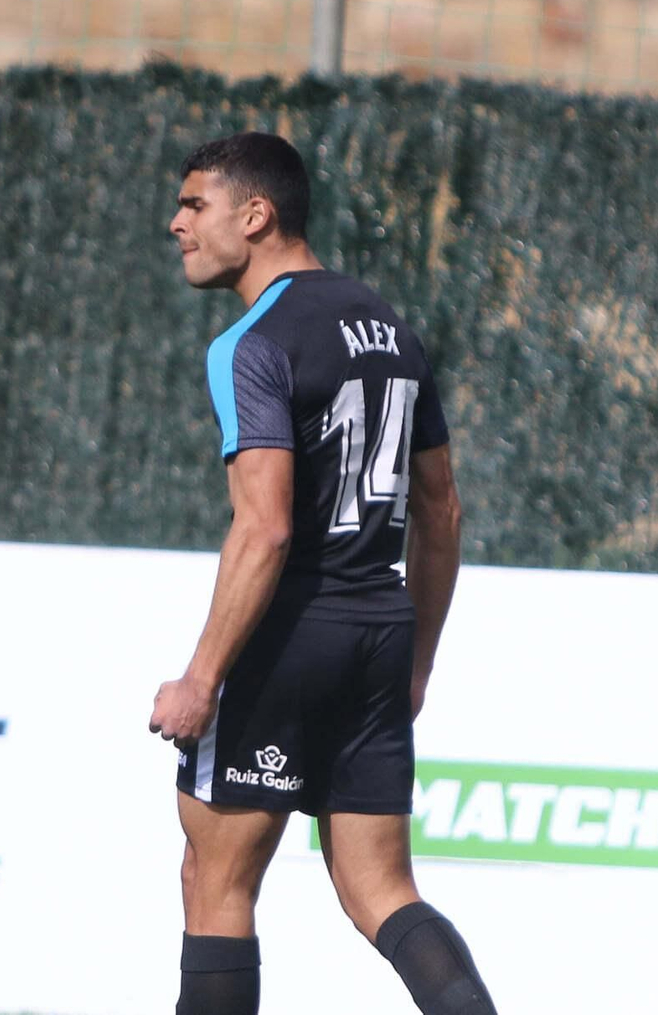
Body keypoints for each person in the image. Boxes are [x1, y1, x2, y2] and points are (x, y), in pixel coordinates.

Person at [149, 132, 496, 1015]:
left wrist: (201, 678)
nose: (177, 224)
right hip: (379, 632)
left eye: (194, 205)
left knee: (215, 881)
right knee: (382, 889)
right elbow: (442, 510)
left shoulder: (251, 342)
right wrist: (417, 658)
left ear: (254, 215)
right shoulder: (391, 329)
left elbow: (265, 528)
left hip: (288, 638)